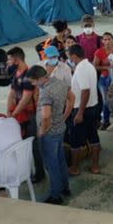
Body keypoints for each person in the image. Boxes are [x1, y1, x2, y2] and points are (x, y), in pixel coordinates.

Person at [28, 65, 70, 205]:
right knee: (60, 160)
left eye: (34, 81)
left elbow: (46, 115)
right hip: (60, 128)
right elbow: (72, 97)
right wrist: (65, 115)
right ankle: (65, 188)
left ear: (40, 79)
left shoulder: (46, 91)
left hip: (50, 134)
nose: (33, 84)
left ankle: (55, 196)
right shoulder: (60, 83)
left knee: (52, 165)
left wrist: (42, 131)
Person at [5, 47, 45, 182]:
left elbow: (26, 98)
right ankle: (24, 172)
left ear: (16, 59)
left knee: (34, 146)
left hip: (30, 116)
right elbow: (11, 93)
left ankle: (39, 173)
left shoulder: (28, 76)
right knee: (21, 146)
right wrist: (8, 110)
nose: (7, 62)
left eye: (9, 59)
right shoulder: (16, 73)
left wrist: (13, 114)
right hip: (18, 115)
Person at [67, 45, 102, 175]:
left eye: (69, 56)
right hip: (93, 107)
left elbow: (85, 91)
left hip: (82, 109)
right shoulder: (89, 65)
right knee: (93, 137)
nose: (69, 58)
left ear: (74, 56)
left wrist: (80, 113)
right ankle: (95, 166)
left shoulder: (81, 68)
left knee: (75, 141)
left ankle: (75, 168)